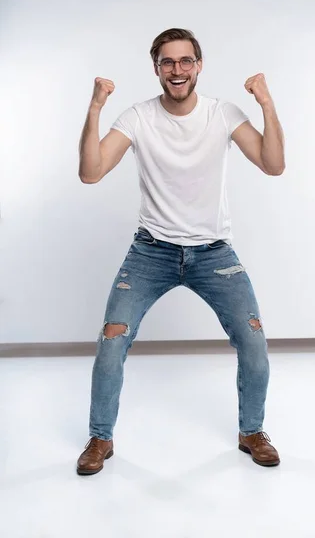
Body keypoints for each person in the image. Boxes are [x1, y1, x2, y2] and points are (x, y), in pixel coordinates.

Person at [76, 28, 285, 475]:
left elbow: (273, 165)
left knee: (253, 341)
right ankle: (100, 437)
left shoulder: (222, 114)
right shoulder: (137, 117)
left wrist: (266, 104)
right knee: (112, 342)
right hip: (151, 252)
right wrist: (95, 109)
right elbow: (90, 173)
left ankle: (252, 431)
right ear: (156, 68)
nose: (177, 70)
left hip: (214, 255)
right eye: (168, 62)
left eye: (185, 61)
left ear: (198, 65)